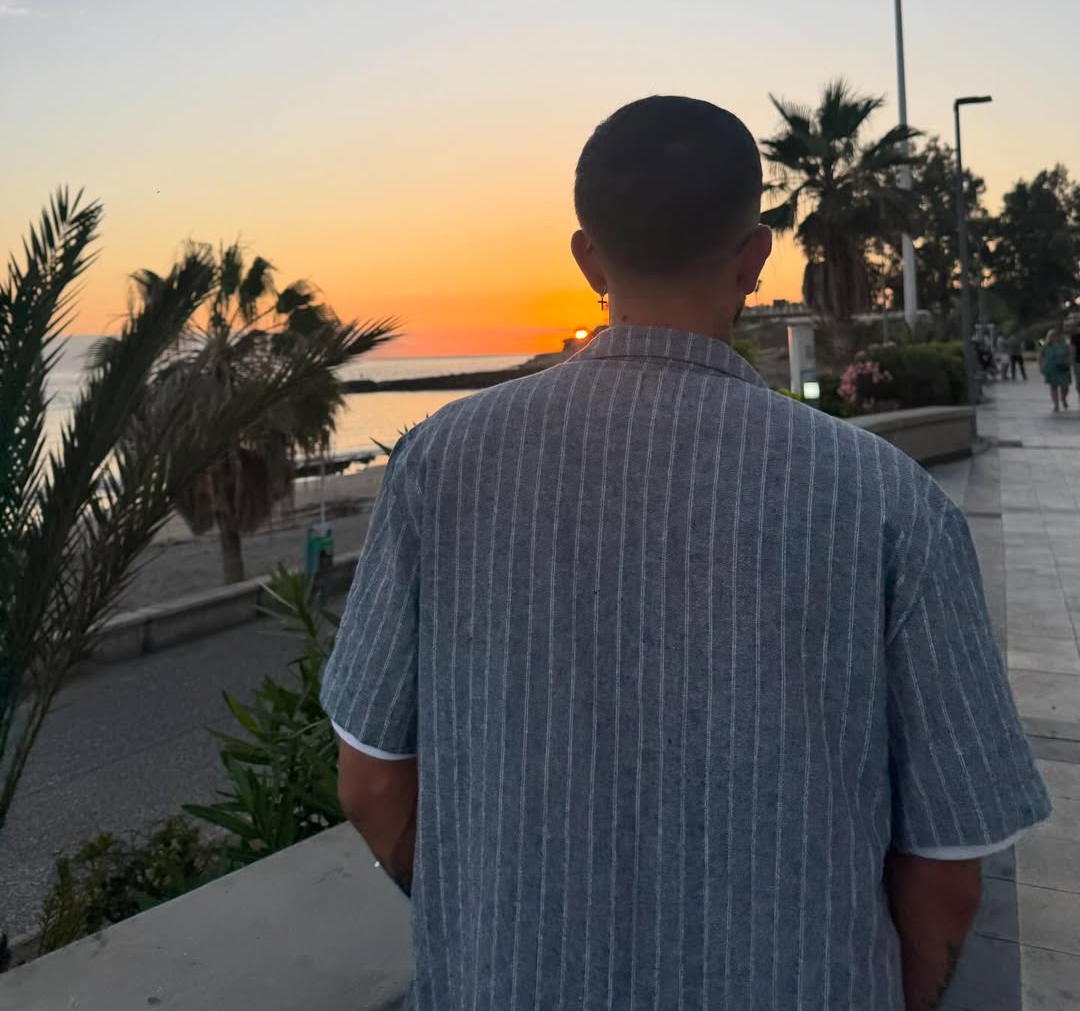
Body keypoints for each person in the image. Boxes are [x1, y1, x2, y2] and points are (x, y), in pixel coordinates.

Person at [322, 96, 1048, 1011]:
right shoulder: (889, 501)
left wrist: (482, 929)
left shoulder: (439, 463)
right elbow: (947, 866)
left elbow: (371, 782)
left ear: (587, 257)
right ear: (754, 257)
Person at [1040, 327, 1071, 412]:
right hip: (1050, 368)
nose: (1053, 337)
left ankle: (1063, 398)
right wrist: (1041, 367)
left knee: (1065, 386)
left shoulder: (1064, 345)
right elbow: (1040, 357)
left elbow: (1069, 354)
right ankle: (1056, 405)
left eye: (1055, 335)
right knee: (1053, 386)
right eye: (1051, 335)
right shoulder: (1044, 345)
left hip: (1063, 367)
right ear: (1048, 336)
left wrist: (1069, 362)